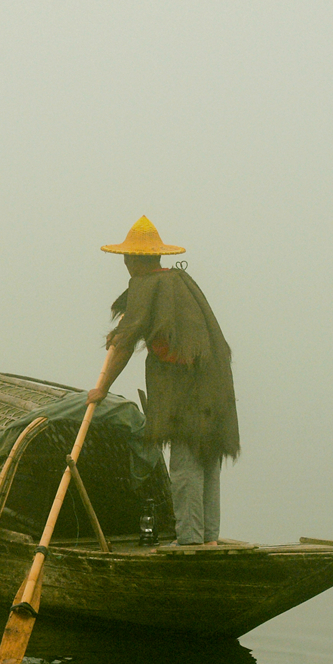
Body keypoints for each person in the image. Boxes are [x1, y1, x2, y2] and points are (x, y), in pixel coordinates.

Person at [87, 217, 239, 547]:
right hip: (216, 385)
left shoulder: (147, 286)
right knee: (207, 459)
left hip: (188, 390)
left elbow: (125, 342)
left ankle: (190, 541)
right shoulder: (181, 281)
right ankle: (207, 539)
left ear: (132, 259)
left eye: (127, 259)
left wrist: (102, 389)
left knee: (186, 463)